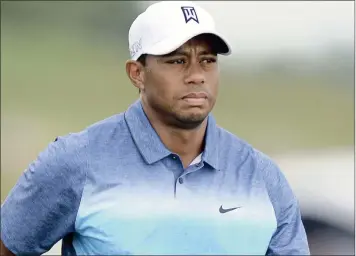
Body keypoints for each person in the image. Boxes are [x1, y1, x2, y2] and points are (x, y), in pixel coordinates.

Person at [1, 1, 310, 255]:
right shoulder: (75, 161)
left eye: (207, 60)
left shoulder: (262, 177)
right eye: (177, 61)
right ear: (137, 73)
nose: (196, 75)